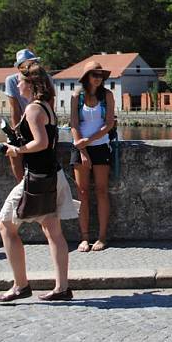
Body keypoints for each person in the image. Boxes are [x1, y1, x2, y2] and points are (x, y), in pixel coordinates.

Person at [0, 63, 80, 302]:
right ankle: (62, 287)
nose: (17, 84)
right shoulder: (46, 107)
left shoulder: (33, 109)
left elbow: (41, 143)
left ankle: (21, 285)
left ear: (31, 85)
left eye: (20, 81)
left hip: (35, 178)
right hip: (51, 175)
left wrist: (16, 150)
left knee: (5, 225)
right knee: (53, 231)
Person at [71, 60, 116, 253]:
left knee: (101, 191)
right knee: (82, 194)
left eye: (100, 75)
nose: (98, 78)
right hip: (80, 147)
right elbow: (73, 123)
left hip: (100, 146)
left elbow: (108, 124)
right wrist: (82, 149)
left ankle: (102, 237)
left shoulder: (107, 95)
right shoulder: (76, 96)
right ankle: (84, 238)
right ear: (86, 77)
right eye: (94, 75)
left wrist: (87, 142)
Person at [5, 49, 55, 183]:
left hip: (38, 118)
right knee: (16, 156)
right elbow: (14, 109)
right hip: (24, 122)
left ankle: (26, 187)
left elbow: (50, 104)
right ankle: (22, 184)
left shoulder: (45, 78)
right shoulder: (12, 80)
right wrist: (17, 132)